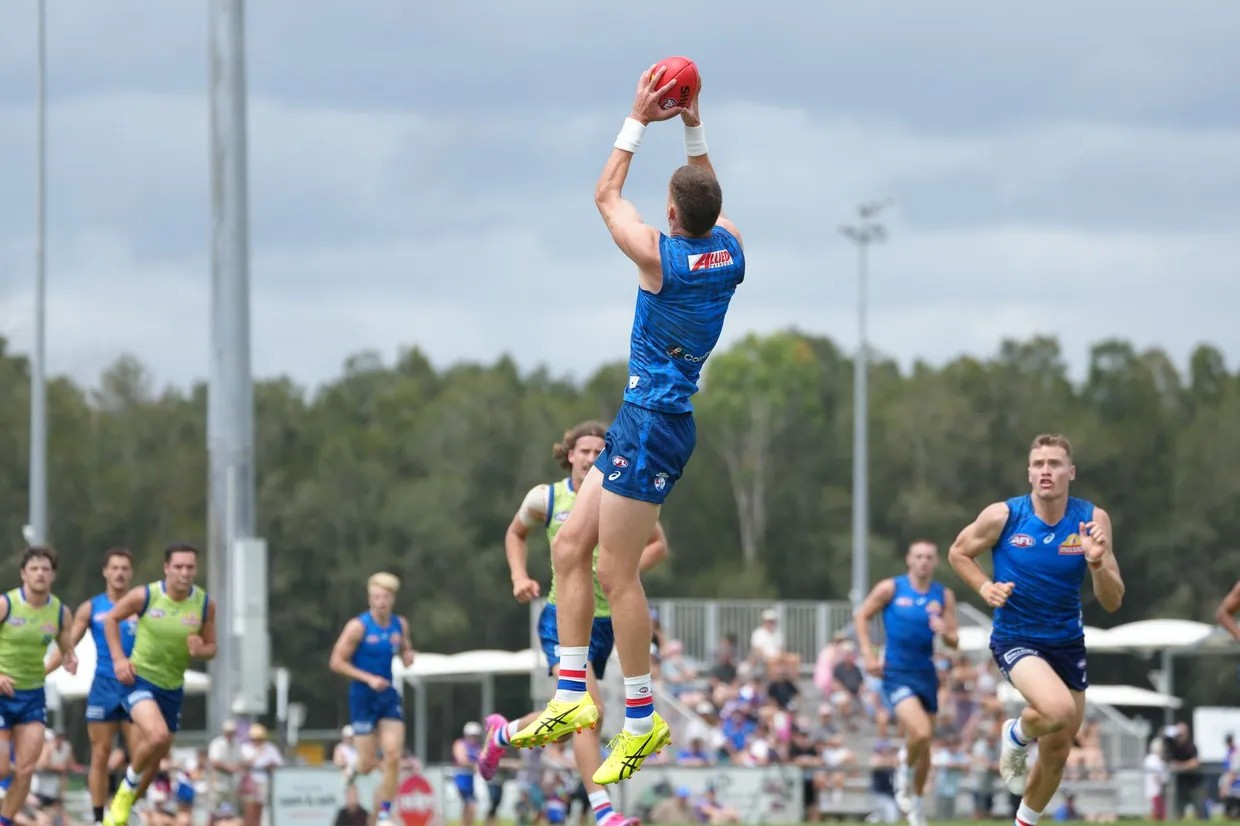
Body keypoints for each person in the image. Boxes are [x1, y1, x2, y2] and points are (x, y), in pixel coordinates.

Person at [512, 62, 745, 787]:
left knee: (615, 570)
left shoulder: (658, 259)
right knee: (570, 547)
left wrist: (642, 115)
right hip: (642, 420)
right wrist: (694, 123)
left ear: (671, 217)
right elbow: (707, 192)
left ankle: (640, 720)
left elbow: (604, 192)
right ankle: (575, 696)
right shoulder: (730, 248)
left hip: (655, 424)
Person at [478, 421, 666, 826]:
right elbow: (515, 533)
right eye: (584, 450)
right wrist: (517, 576)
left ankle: (503, 734)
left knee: (564, 727)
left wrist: (623, 573)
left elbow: (658, 545)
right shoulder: (546, 498)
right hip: (562, 619)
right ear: (570, 456)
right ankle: (604, 814)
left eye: (601, 450)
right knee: (589, 712)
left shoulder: (618, 497)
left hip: (604, 625)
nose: (592, 456)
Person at [948, 433, 1124, 826]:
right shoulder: (1004, 516)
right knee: (1057, 710)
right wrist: (984, 586)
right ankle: (1016, 732)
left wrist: (1096, 563)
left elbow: (1113, 600)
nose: (1047, 471)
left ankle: (1023, 823)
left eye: (1055, 464)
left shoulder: (1091, 520)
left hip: (1067, 643)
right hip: (1017, 638)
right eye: (1039, 464)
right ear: (1029, 473)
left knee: (1058, 752)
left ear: (1071, 472)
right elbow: (959, 551)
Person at [103, 542, 217, 826]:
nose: (184, 572)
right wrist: (118, 659)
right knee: (157, 736)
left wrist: (199, 649)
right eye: (178, 566)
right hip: (138, 679)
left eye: (190, 567)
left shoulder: (204, 604)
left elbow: (212, 647)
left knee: (156, 760)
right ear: (166, 567)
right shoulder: (146, 595)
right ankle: (124, 793)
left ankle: (126, 807)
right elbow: (111, 619)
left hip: (172, 687)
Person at [854, 540, 959, 826]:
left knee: (925, 747)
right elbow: (861, 615)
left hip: (926, 673)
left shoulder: (943, 595)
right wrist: (868, 652)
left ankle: (916, 806)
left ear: (935, 562)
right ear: (908, 560)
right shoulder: (891, 588)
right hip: (896, 672)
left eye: (929, 557)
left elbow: (954, 639)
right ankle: (903, 769)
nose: (923, 561)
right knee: (921, 733)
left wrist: (945, 630)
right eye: (918, 556)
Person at [45, 547, 144, 826]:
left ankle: (128, 805)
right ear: (105, 572)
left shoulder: (141, 604)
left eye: (125, 568)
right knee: (100, 754)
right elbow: (67, 642)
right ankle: (99, 817)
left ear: (131, 572)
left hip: (136, 687)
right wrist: (42, 671)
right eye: (115, 568)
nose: (120, 573)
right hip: (103, 687)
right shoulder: (92, 607)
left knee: (139, 755)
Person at [328, 572, 416, 823]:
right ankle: (355, 766)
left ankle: (384, 814)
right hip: (363, 696)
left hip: (387, 695)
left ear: (393, 599)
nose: (381, 602)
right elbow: (336, 661)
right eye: (376, 597)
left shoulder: (400, 624)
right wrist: (367, 678)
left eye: (385, 597)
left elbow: (404, 651)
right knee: (367, 764)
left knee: (393, 756)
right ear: (370, 598)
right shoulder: (358, 626)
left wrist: (408, 657)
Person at [0, 547, 78, 826]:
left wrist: (70, 659)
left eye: (45, 569)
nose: (40, 573)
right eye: (34, 568)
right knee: (1, 767)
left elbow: (65, 648)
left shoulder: (60, 612)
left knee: (25, 769)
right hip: (0, 694)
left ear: (53, 575)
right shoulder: (6, 604)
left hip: (32, 697)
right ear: (23, 574)